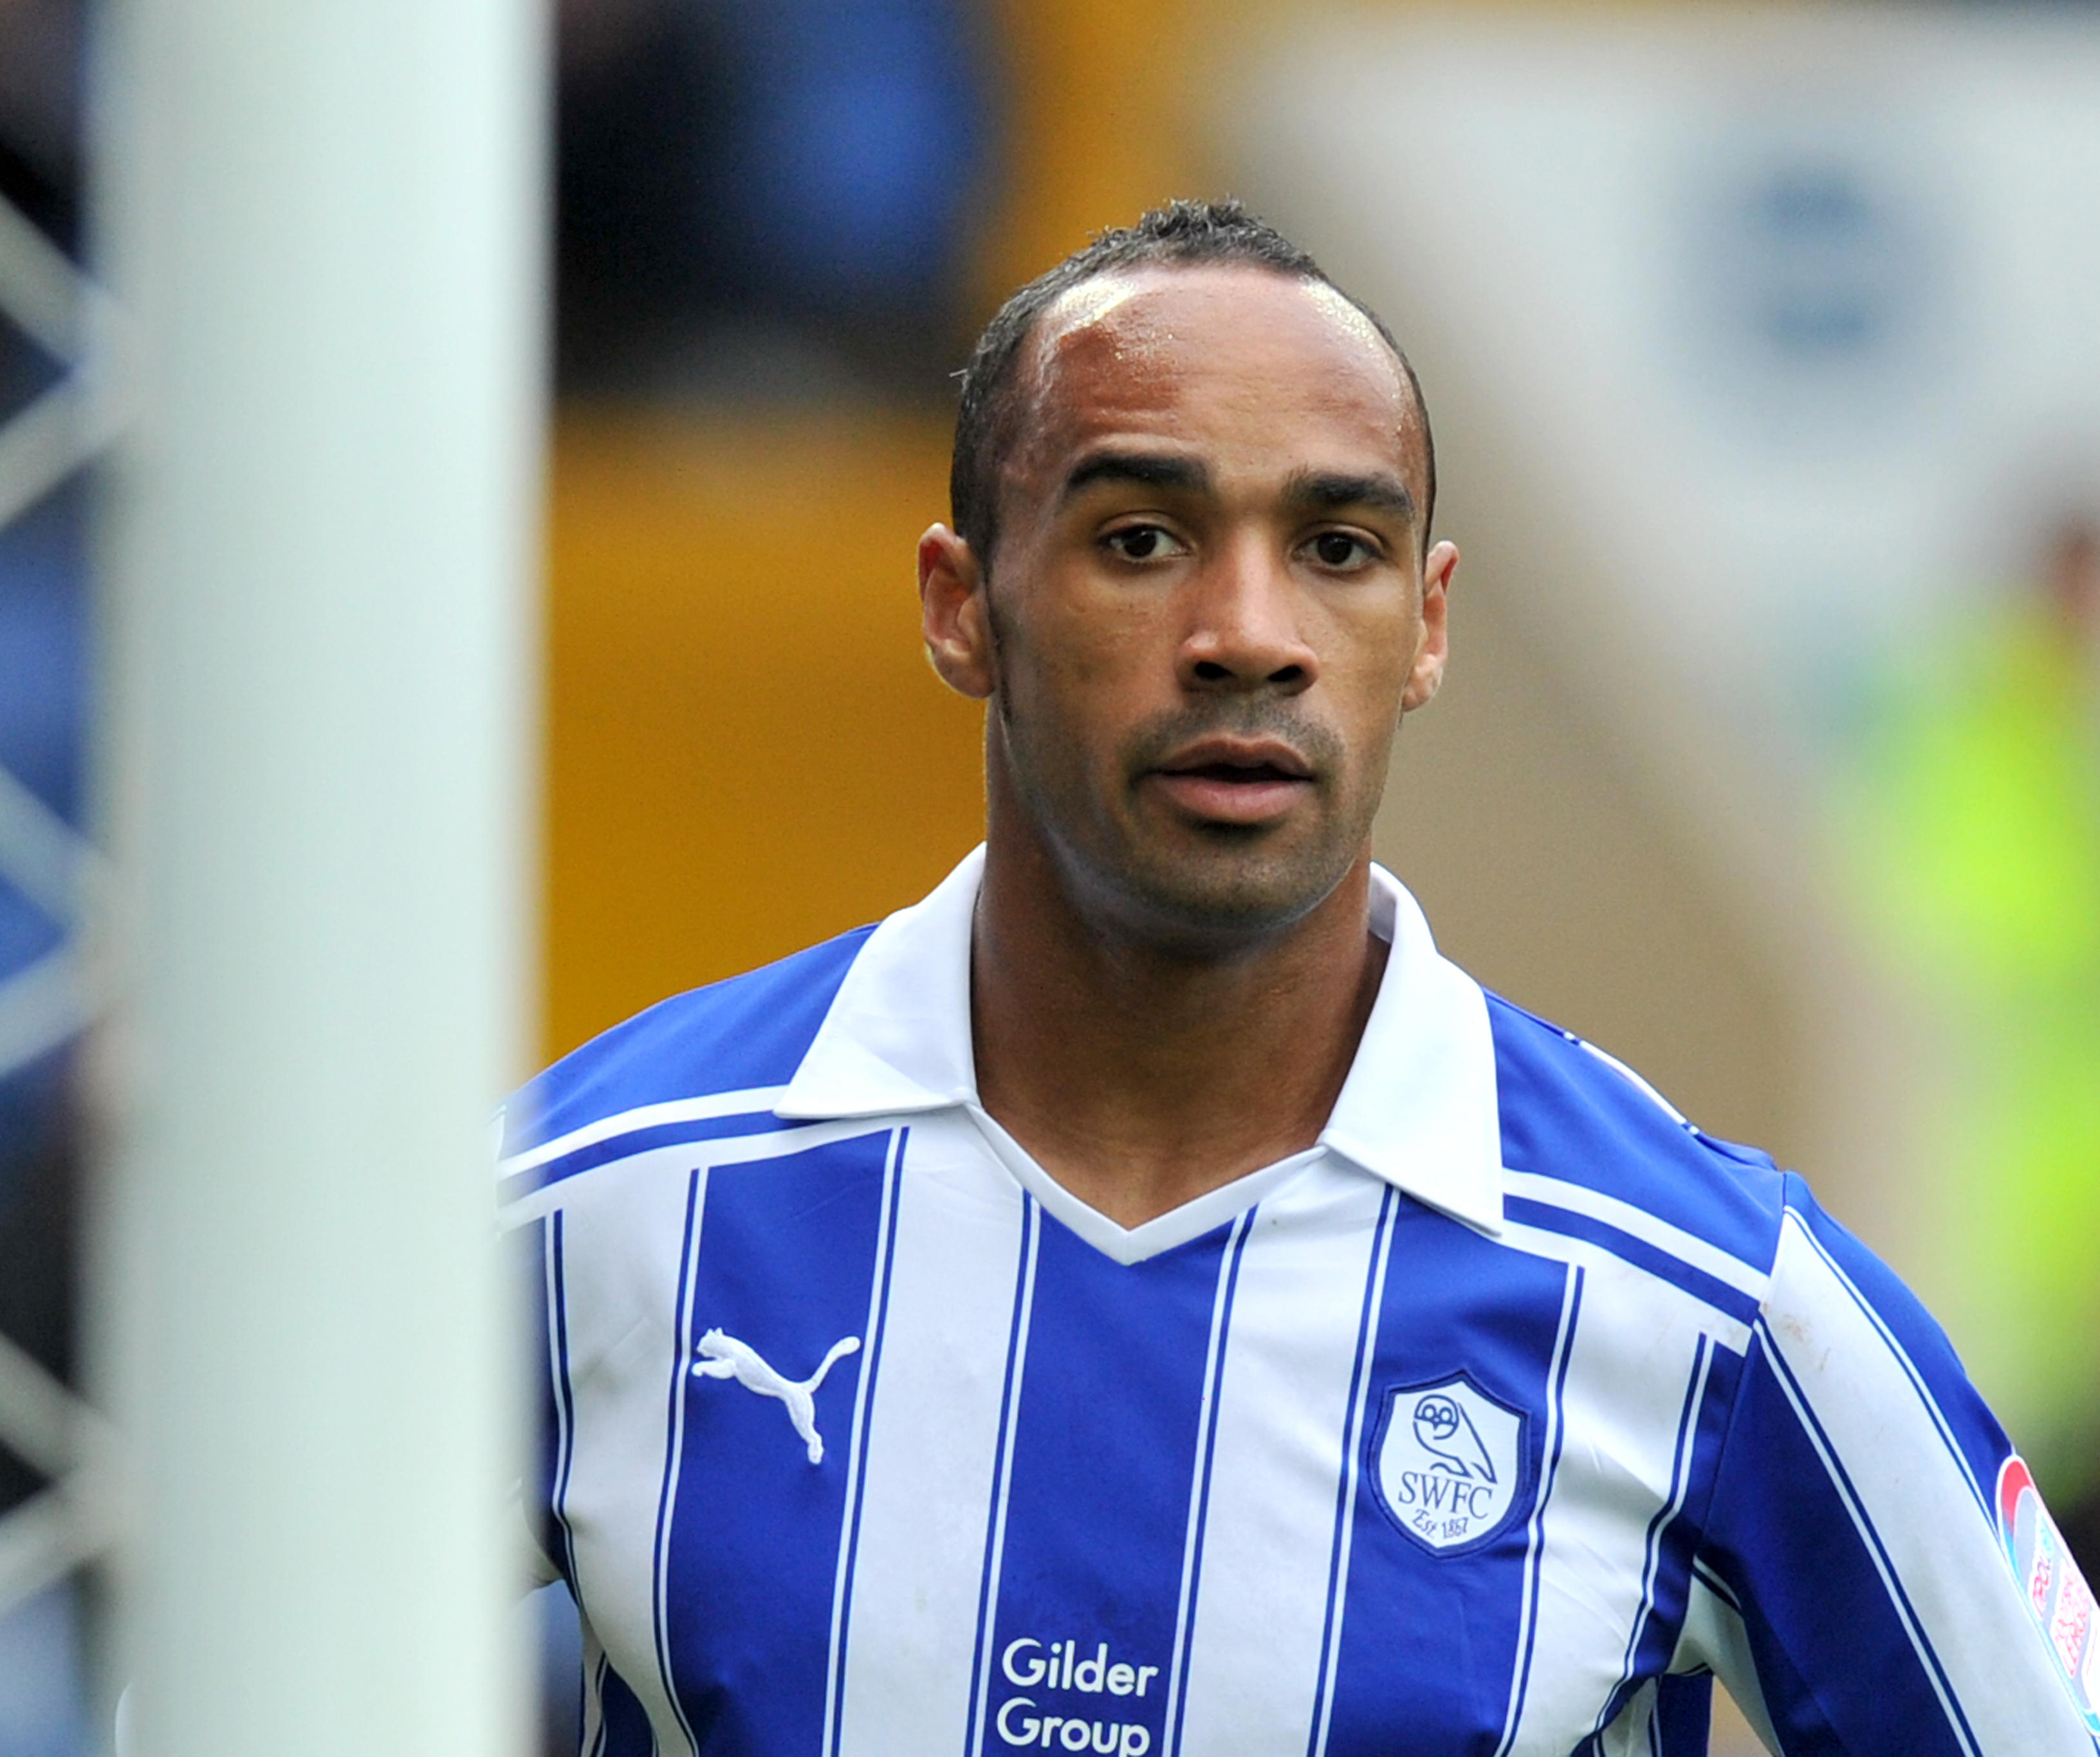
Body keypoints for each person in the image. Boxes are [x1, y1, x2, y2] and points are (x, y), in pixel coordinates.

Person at [499, 201, 2100, 1756]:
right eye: (1140, 538)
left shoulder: (1705, 1299)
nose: (1247, 634)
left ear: (1423, 623)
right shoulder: (601, 1206)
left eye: (1336, 546)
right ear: (960, 603)